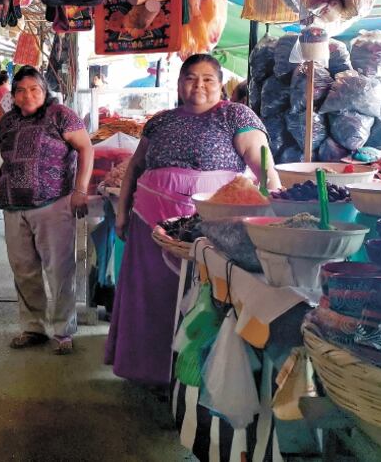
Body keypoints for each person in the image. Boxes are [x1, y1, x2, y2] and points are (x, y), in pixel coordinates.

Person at [105, 54, 280, 385]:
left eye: (208, 79)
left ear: (220, 85)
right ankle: (150, 371)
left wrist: (275, 213)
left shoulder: (236, 115)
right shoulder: (160, 121)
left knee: (199, 301)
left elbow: (265, 170)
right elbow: (135, 168)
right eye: (190, 78)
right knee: (152, 297)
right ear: (179, 83)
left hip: (210, 228)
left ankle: (194, 378)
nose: (198, 85)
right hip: (149, 222)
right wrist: (121, 212)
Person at [0, 66, 94, 355]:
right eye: (21, 90)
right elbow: (4, 150)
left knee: (59, 269)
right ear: (13, 95)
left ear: (44, 90)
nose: (27, 96)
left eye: (34, 89)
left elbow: (86, 148)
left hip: (53, 203)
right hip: (13, 206)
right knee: (24, 270)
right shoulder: (8, 121)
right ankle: (33, 327)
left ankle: (63, 330)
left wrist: (81, 190)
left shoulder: (60, 114)